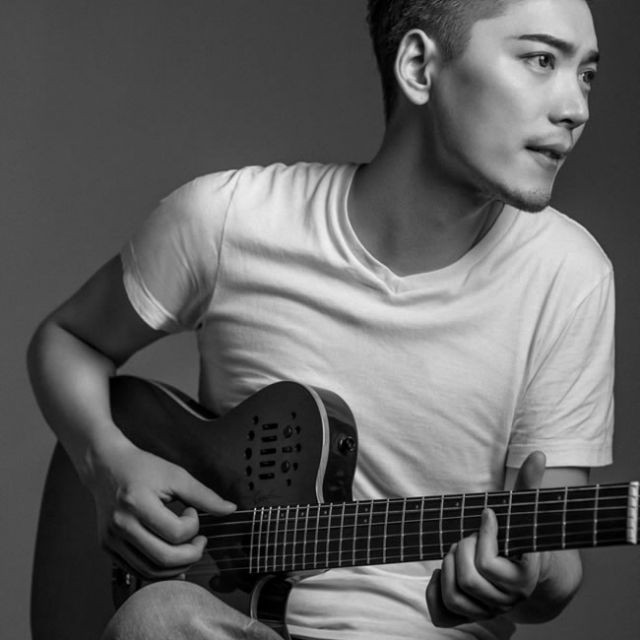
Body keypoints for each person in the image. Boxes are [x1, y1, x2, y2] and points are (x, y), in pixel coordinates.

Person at [27, 0, 614, 638]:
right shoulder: (229, 221)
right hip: (226, 623)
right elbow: (68, 340)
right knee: (157, 618)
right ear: (419, 66)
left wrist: (531, 572)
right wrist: (107, 463)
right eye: (540, 60)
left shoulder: (569, 274)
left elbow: (554, 565)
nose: (576, 108)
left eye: (586, 73)